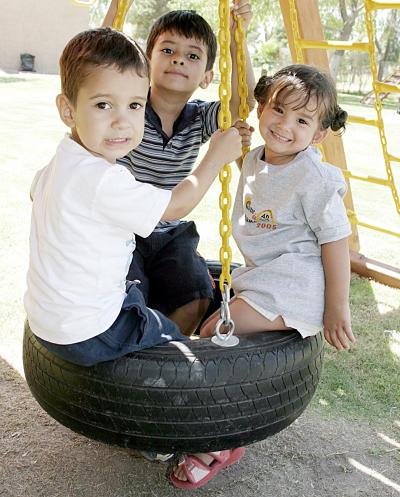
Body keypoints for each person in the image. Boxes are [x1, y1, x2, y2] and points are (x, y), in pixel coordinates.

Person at [24, 27, 243, 370]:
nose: (121, 122)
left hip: (50, 322)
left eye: (135, 105)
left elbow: (35, 191)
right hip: (91, 330)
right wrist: (216, 156)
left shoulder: (62, 162)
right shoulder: (101, 178)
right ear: (68, 111)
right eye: (103, 105)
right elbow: (176, 206)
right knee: (172, 341)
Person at [103, 1, 255, 336]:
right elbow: (101, 62)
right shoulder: (132, 107)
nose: (179, 60)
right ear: (147, 62)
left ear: (207, 77)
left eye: (193, 56)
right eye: (168, 50)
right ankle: (139, 348)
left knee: (196, 290)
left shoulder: (200, 118)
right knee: (125, 292)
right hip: (124, 230)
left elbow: (243, 100)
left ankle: (167, 357)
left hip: (172, 232)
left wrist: (237, 39)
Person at [201, 64, 356, 354]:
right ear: (261, 109)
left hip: (296, 286)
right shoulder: (254, 159)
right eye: (279, 110)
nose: (285, 125)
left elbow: (335, 242)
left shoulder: (314, 178)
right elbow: (261, 180)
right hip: (266, 277)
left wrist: (337, 307)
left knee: (215, 330)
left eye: (302, 121)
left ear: (319, 135)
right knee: (209, 322)